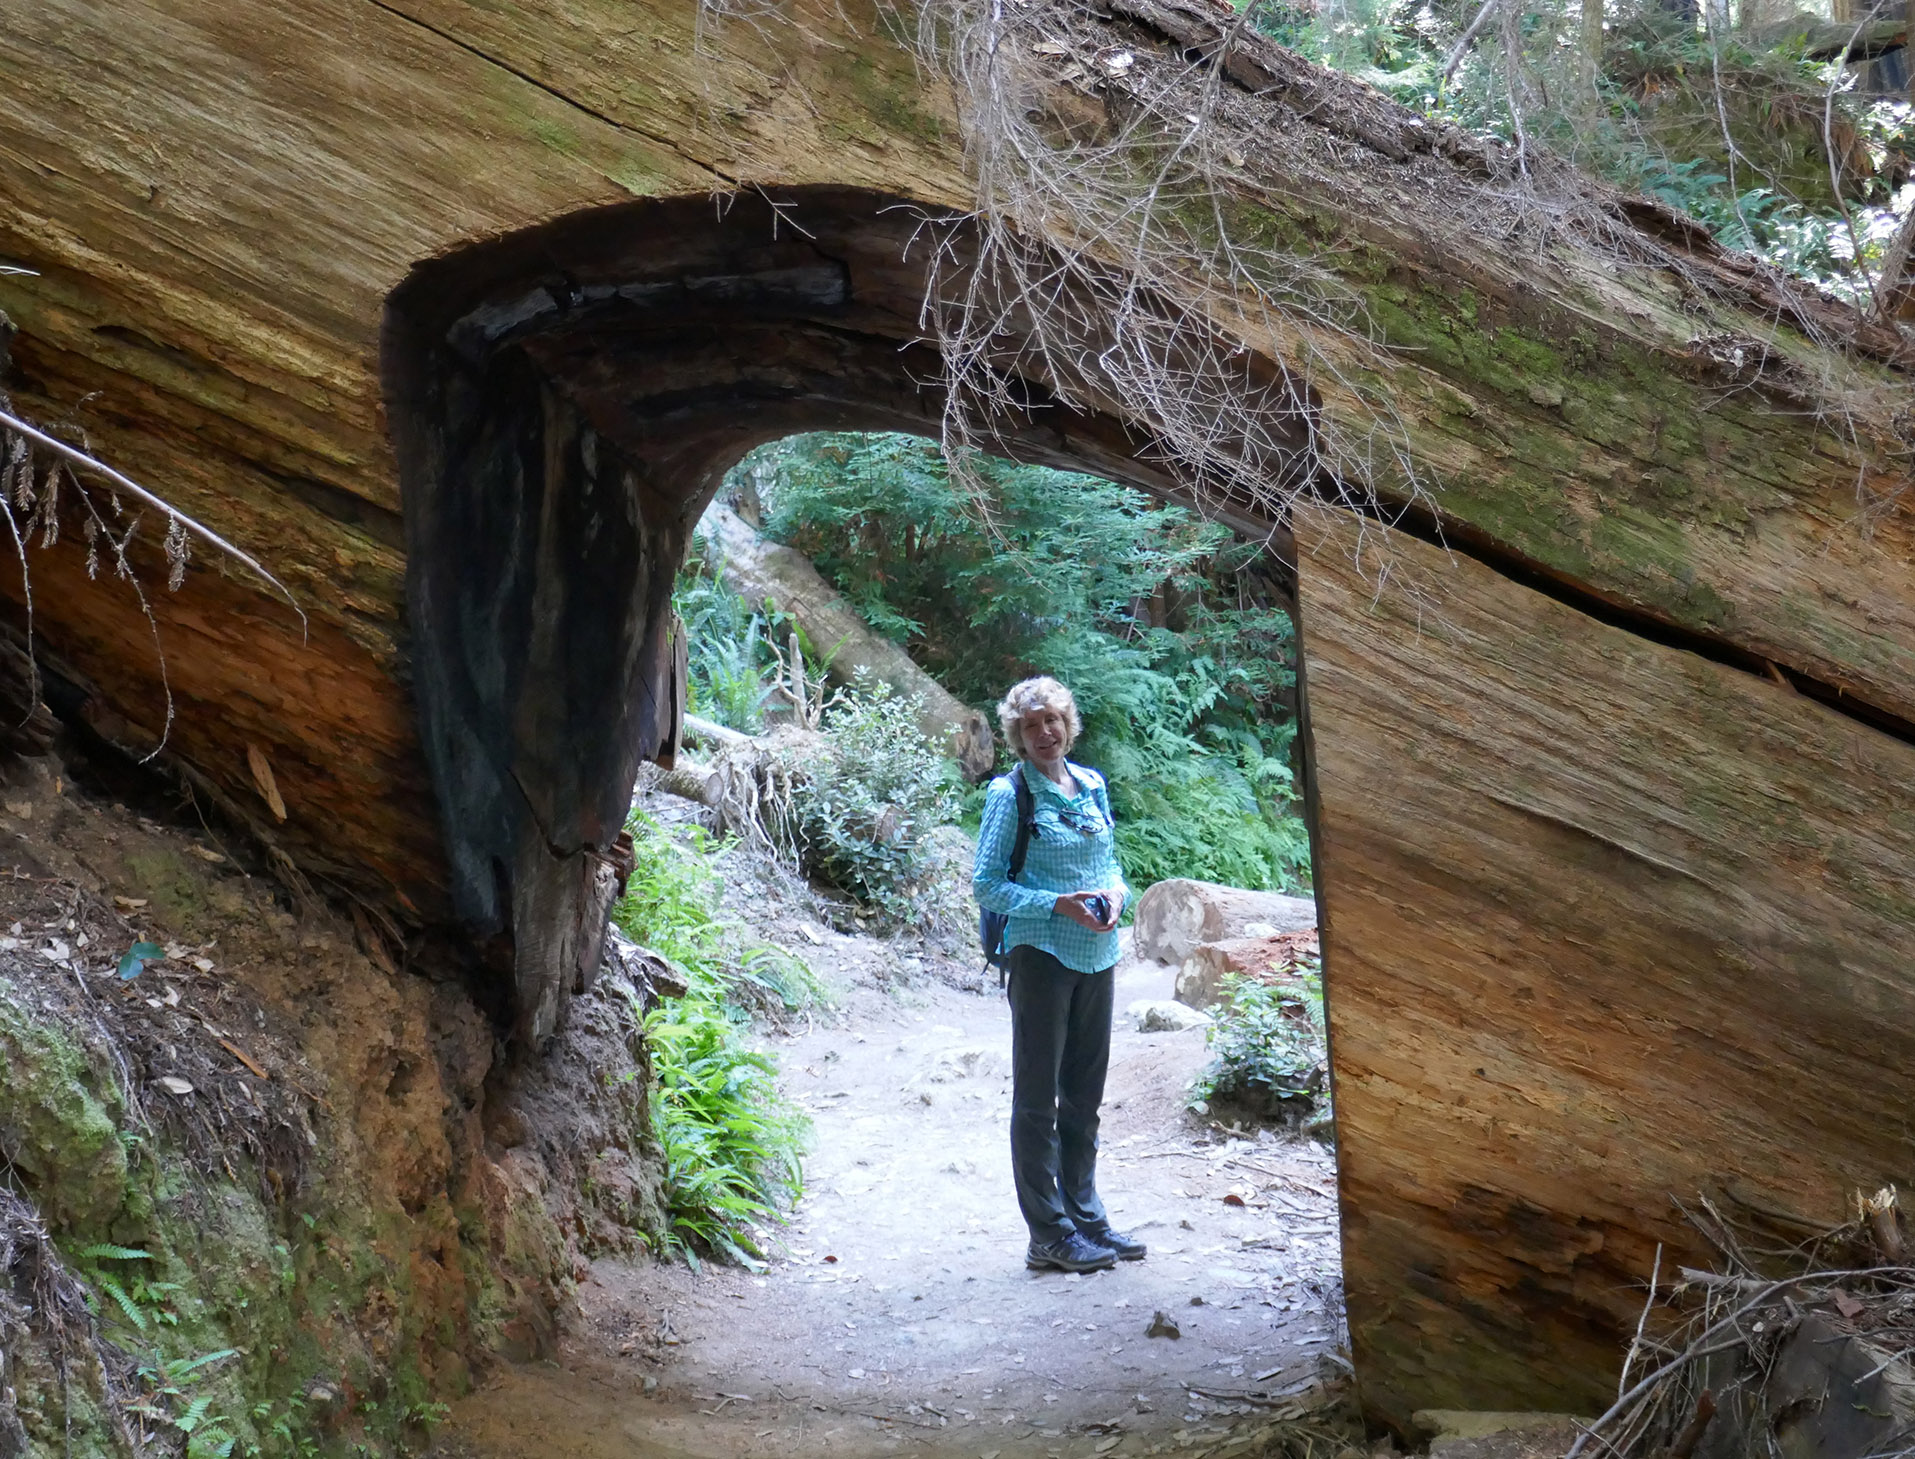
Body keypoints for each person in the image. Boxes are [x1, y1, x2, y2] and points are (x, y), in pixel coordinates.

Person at [972, 676, 1145, 1274]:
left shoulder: (1091, 785)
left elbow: (1112, 864)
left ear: (1067, 724)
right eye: (1030, 725)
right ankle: (1047, 1234)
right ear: (1018, 736)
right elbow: (986, 885)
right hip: (1042, 955)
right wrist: (1057, 903)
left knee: (1084, 1100)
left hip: (1099, 957)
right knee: (1036, 1100)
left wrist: (1116, 897)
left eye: (1051, 720)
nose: (1044, 732)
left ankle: (1086, 1218)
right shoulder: (1009, 794)